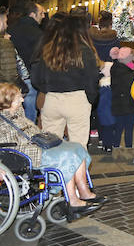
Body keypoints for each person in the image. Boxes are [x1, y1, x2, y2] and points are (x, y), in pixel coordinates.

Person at [0, 83, 105, 222]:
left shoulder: (16, 111)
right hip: (18, 153)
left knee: (77, 147)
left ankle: (84, 192)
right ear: (7, 100)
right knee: (68, 155)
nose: (23, 100)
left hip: (36, 145)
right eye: (19, 98)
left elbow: (31, 130)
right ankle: (73, 201)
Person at [30, 15, 100, 149]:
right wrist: (90, 98)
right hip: (77, 99)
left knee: (49, 144)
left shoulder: (48, 50)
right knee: (78, 145)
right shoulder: (85, 51)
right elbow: (92, 78)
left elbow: (36, 76)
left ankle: (52, 169)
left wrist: (45, 89)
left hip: (51, 99)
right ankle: (77, 169)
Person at [7, 2, 44, 122]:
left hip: (13, 75)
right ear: (33, 14)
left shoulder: (11, 29)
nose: (43, 16)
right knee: (30, 110)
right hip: (30, 76)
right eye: (41, 13)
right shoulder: (37, 33)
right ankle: (29, 135)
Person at [109, 47, 134, 150]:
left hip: (117, 103)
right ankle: (128, 145)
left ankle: (116, 144)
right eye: (132, 59)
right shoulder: (128, 74)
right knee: (129, 127)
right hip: (129, 104)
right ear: (128, 60)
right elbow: (133, 89)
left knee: (118, 126)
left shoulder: (114, 68)